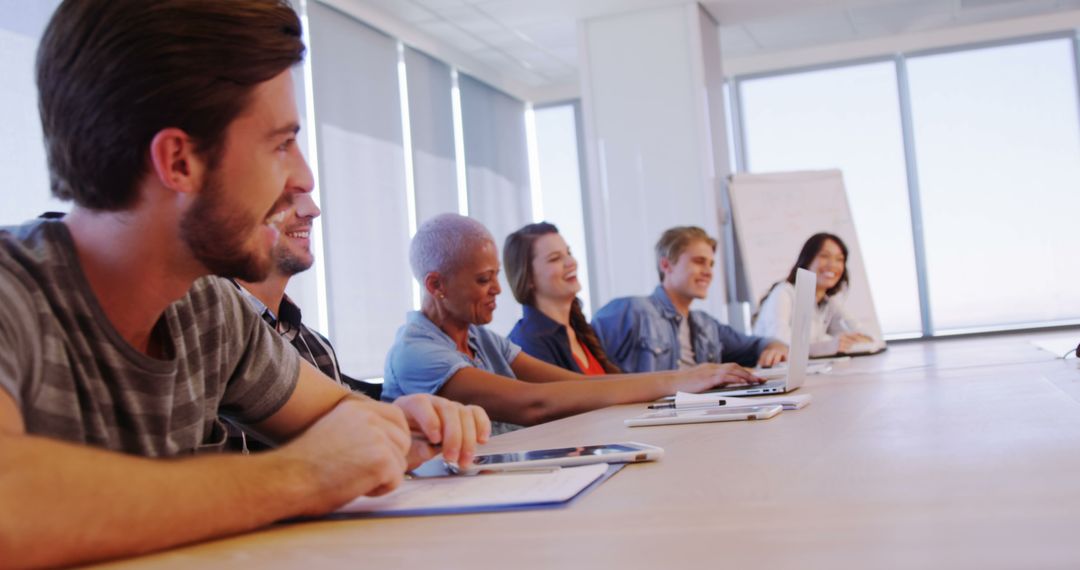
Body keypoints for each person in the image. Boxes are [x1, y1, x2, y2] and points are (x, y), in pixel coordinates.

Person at [0, 2, 488, 567]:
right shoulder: (14, 293)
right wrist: (301, 475)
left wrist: (400, 425)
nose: (304, 177)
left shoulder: (208, 306)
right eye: (281, 144)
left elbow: (341, 415)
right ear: (179, 161)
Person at [383, 214, 761, 433]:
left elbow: (580, 386)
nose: (498, 289)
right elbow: (533, 404)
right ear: (436, 285)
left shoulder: (483, 339)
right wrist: (681, 381)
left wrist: (686, 383)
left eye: (497, 275)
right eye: (484, 280)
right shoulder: (417, 352)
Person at [592, 226, 788, 373]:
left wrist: (775, 348)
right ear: (666, 265)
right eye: (699, 261)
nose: (708, 272)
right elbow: (589, 371)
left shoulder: (707, 325)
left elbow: (758, 345)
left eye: (711, 264)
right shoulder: (630, 311)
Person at [504, 222, 618, 375]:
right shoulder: (527, 343)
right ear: (527, 277)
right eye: (555, 258)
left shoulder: (581, 330)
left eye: (568, 253)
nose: (572, 262)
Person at [753, 233, 875, 356]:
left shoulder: (828, 302)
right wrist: (826, 346)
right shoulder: (784, 293)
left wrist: (852, 341)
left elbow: (865, 337)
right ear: (807, 260)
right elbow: (778, 343)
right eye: (824, 256)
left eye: (839, 259)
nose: (832, 265)